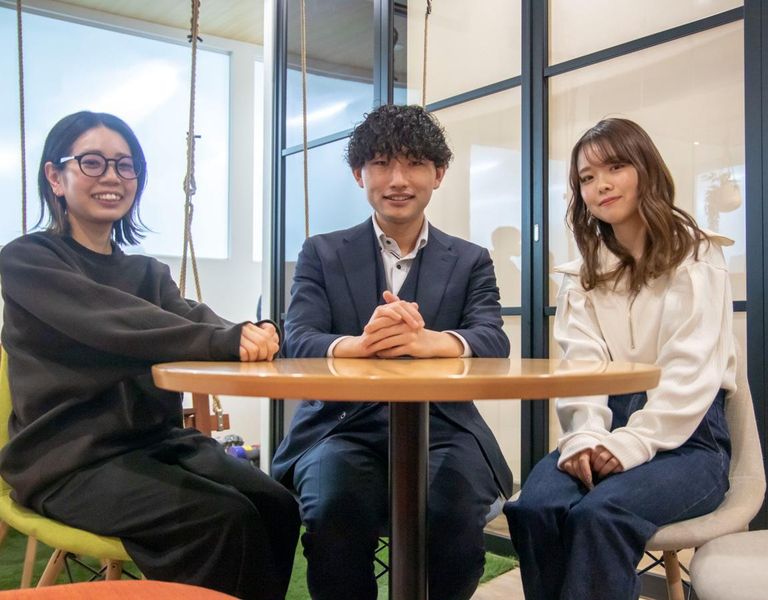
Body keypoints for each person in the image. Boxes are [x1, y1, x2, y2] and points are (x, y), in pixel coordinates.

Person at [0, 111, 300, 600]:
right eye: (92, 163)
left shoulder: (147, 272)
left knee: (277, 503)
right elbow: (113, 321)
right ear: (55, 177)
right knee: (222, 519)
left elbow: (194, 319)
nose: (112, 177)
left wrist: (255, 331)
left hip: (154, 443)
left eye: (126, 165)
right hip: (66, 461)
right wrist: (227, 340)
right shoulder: (27, 260)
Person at [271, 104, 513, 600]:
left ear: (438, 174)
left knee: (454, 517)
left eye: (415, 163)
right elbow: (298, 337)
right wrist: (361, 345)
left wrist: (433, 342)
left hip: (445, 427)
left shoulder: (470, 260)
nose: (398, 180)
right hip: (340, 427)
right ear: (359, 174)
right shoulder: (321, 252)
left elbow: (493, 338)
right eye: (381, 163)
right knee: (334, 514)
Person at [504, 118, 736, 600]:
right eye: (587, 177)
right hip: (604, 426)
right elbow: (583, 368)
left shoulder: (697, 257)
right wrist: (584, 437)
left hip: (690, 438)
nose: (601, 185)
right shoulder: (581, 275)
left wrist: (635, 441)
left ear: (645, 169)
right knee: (533, 508)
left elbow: (690, 370)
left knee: (600, 515)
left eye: (615, 167)